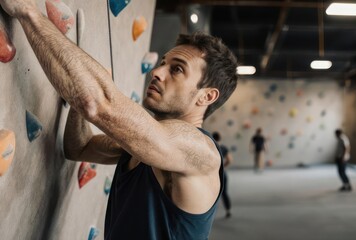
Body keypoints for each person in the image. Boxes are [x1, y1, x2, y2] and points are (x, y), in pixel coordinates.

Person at [0, 1, 238, 239]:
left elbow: (98, 104)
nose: (156, 72)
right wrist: (81, 85)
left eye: (176, 69)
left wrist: (28, 12)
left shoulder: (200, 152)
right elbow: (79, 147)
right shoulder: (144, 146)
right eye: (163, 63)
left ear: (207, 96)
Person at [212, 132, 233, 218]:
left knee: (212, 194)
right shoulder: (224, 147)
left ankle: (210, 213)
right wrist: (223, 167)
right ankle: (228, 210)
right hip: (222, 173)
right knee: (224, 192)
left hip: (212, 174)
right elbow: (230, 160)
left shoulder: (211, 146)